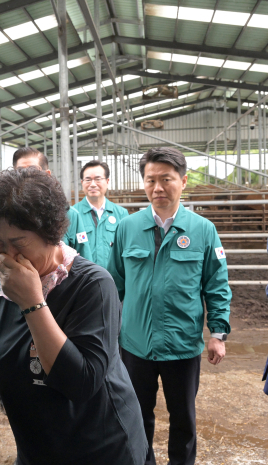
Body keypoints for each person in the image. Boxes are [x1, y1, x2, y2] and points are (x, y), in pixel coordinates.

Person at [0, 168, 147, 464]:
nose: (7, 256)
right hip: (37, 447)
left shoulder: (92, 285)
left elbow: (82, 383)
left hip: (99, 449)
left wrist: (32, 302)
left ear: (51, 233)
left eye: (19, 243)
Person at [107, 147, 231, 465]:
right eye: (151, 180)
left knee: (184, 421)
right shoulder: (127, 228)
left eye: (166, 179)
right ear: (144, 183)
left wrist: (217, 332)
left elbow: (216, 286)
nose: (158, 188)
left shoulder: (203, 230)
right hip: (134, 344)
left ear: (183, 181)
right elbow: (112, 286)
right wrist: (108, 334)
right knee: (135, 417)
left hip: (183, 344)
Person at [12, 147, 92, 260]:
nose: (26, 176)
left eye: (33, 170)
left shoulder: (69, 215)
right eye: (20, 171)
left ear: (47, 175)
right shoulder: (8, 213)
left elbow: (85, 259)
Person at [72, 160, 129, 269]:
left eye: (98, 179)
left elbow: (127, 249)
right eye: (88, 180)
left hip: (113, 281)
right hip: (83, 280)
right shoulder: (73, 214)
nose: (93, 184)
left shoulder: (121, 214)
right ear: (82, 182)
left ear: (107, 181)